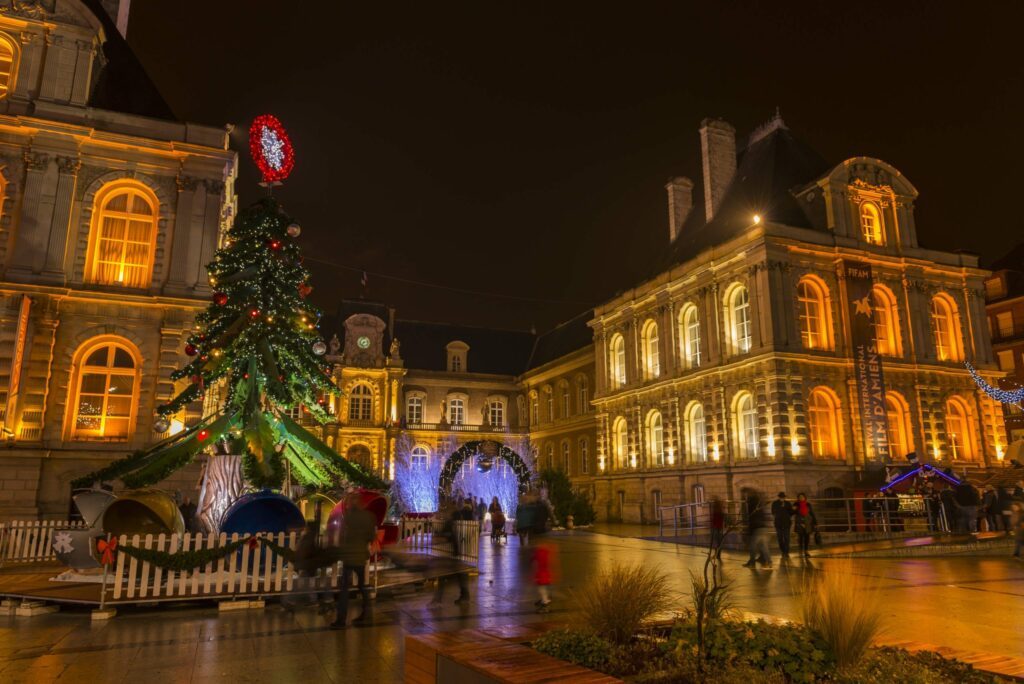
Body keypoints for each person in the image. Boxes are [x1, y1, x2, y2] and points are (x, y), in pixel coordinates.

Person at [330, 492, 378, 629]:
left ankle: (341, 620)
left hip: (349, 557)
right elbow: (370, 537)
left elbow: (342, 536)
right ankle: (367, 615)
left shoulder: (347, 517)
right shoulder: (369, 517)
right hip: (360, 556)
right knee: (363, 586)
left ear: (351, 503)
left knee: (344, 589)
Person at [432, 498, 474, 605]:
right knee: (456, 575)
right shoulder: (450, 519)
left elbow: (449, 535)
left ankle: (439, 599)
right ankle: (463, 596)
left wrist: (440, 537)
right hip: (451, 552)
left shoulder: (451, 519)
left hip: (452, 552)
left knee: (449, 575)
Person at [742, 491, 773, 569]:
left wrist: (749, 531)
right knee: (764, 547)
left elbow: (752, 519)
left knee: (752, 547)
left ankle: (752, 563)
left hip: (757, 529)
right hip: (763, 528)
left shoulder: (752, 506)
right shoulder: (759, 505)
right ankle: (769, 562)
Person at [533, 542, 557, 612]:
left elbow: (538, 562)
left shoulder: (540, 554)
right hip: (544, 575)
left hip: (542, 576)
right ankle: (545, 600)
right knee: (542, 588)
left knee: (541, 589)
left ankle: (545, 602)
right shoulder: (544, 554)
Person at [793, 493, 817, 558]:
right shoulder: (796, 504)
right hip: (799, 523)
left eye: (802, 497)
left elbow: (812, 513)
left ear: (805, 498)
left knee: (807, 538)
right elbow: (793, 512)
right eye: (800, 497)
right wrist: (794, 508)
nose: (801, 498)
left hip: (807, 523)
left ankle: (806, 551)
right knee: (800, 538)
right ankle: (801, 550)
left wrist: (815, 523)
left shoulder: (808, 504)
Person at [771, 492, 793, 560]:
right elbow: (773, 512)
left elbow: (791, 512)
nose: (782, 498)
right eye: (781, 497)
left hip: (786, 523)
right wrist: (781, 507)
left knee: (787, 538)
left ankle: (786, 552)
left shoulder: (788, 503)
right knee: (780, 538)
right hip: (778, 523)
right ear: (779, 497)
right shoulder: (775, 503)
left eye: (783, 497)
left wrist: (793, 509)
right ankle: (783, 551)